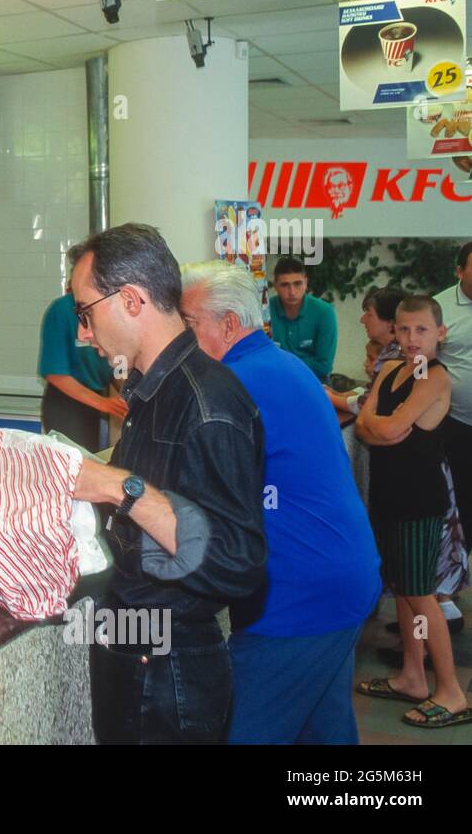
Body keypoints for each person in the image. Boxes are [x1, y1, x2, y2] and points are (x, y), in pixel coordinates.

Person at [65, 224, 267, 744]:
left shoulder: (207, 403)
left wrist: (121, 487)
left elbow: (235, 562)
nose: (82, 333)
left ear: (130, 300)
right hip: (135, 651)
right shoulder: (152, 392)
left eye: (85, 312)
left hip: (170, 667)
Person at [180, 261, 380, 744]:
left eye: (187, 325)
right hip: (342, 581)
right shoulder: (283, 363)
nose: (179, 339)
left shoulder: (235, 384)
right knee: (323, 733)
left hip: (297, 600)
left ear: (228, 323)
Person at [355, 296, 470, 728]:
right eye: (403, 330)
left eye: (421, 330)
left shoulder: (435, 378)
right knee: (404, 592)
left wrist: (380, 425)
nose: (411, 339)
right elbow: (370, 424)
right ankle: (413, 675)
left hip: (421, 502)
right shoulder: (392, 369)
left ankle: (452, 692)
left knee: (423, 597)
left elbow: (381, 426)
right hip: (389, 498)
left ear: (440, 334)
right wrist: (380, 425)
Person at [39, 282, 125, 451]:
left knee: (92, 459)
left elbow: (118, 363)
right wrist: (103, 403)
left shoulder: (107, 306)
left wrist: (126, 393)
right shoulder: (62, 310)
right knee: (71, 465)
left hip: (95, 404)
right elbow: (55, 374)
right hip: (67, 406)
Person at [436, 242, 472, 544]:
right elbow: (418, 360)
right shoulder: (439, 308)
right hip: (457, 423)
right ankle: (457, 569)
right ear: (459, 270)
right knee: (461, 498)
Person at [327, 286, 405, 414]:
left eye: (369, 314)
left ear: (391, 323)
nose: (362, 320)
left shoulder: (398, 357)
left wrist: (329, 397)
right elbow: (371, 391)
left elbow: (365, 405)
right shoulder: (389, 350)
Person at [269, 256, 337, 382]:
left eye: (297, 283)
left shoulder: (324, 312)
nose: (292, 292)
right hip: (275, 381)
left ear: (306, 282)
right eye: (285, 285)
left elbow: (324, 366)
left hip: (314, 382)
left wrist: (278, 363)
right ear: (275, 286)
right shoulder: (264, 311)